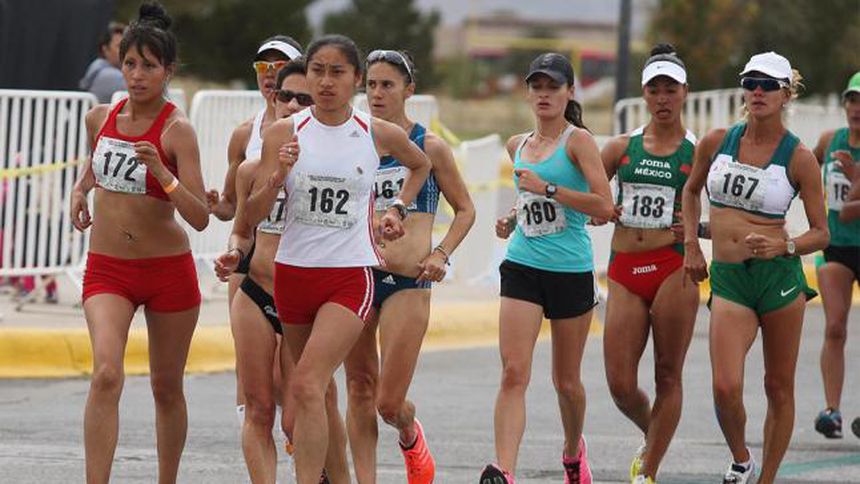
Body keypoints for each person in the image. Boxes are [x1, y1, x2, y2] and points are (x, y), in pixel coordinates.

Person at [243, 34, 431, 483]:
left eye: (337, 72)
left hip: (349, 276)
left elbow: (421, 165)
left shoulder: (375, 132)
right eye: (318, 71)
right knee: (315, 392)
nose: (326, 82)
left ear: (356, 79)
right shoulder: (282, 134)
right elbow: (251, 215)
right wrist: (278, 176)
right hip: (293, 275)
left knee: (306, 382)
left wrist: (398, 207)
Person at [68, 3, 210, 483]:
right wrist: (79, 190)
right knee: (106, 374)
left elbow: (199, 216)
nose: (136, 75)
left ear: (168, 70)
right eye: (130, 63)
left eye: (149, 66)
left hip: (167, 270)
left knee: (166, 387)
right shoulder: (99, 117)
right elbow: (95, 165)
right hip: (108, 268)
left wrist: (163, 175)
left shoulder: (177, 130)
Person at [682, 52, 828, 484]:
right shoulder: (716, 141)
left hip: (778, 280)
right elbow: (690, 193)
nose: (758, 91)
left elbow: (821, 233)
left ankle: (766, 478)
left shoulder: (799, 157)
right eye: (750, 83)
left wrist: (784, 245)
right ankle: (741, 457)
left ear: (786, 94)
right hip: (730, 280)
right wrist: (691, 244)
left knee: (777, 386)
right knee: (725, 387)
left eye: (768, 85)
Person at [480, 53, 615, 484]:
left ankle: (573, 451)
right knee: (513, 372)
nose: (544, 94)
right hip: (522, 264)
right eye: (536, 86)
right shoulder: (516, 145)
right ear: (527, 93)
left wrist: (549, 188)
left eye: (553, 87)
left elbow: (604, 207)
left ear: (570, 93)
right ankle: (505, 470)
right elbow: (528, 200)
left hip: (570, 270)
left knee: (566, 382)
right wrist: (512, 219)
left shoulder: (579, 142)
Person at [344, 50, 475, 483]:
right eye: (371, 85)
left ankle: (408, 431)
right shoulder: (354, 141)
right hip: (359, 275)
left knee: (387, 402)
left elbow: (466, 210)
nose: (377, 94)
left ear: (409, 91)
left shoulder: (428, 145)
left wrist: (441, 253)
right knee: (358, 388)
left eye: (388, 85)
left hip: (407, 280)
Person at [600, 43, 698, 484]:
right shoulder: (621, 147)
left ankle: (648, 472)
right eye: (654, 90)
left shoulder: (699, 151)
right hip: (625, 268)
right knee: (620, 385)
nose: (662, 98)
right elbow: (586, 194)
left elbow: (729, 212)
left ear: (684, 92)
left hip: (672, 266)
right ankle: (654, 434)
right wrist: (600, 209)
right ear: (643, 93)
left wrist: (698, 230)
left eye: (670, 90)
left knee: (667, 374)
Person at [207, 35, 303, 427]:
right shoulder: (245, 134)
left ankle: (296, 434)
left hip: (298, 258)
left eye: (279, 68)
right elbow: (233, 208)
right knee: (250, 363)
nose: (270, 75)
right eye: (263, 67)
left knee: (287, 376)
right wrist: (213, 204)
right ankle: (252, 429)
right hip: (250, 253)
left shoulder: (317, 129)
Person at [812, 70, 860, 439]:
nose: (857, 108)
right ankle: (832, 411)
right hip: (837, 246)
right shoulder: (830, 140)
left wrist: (855, 174)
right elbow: (803, 166)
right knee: (834, 327)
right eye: (852, 100)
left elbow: (849, 210)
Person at [79, 22, 127, 103]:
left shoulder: (100, 69)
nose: (125, 51)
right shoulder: (107, 75)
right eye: (119, 46)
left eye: (127, 46)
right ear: (105, 49)